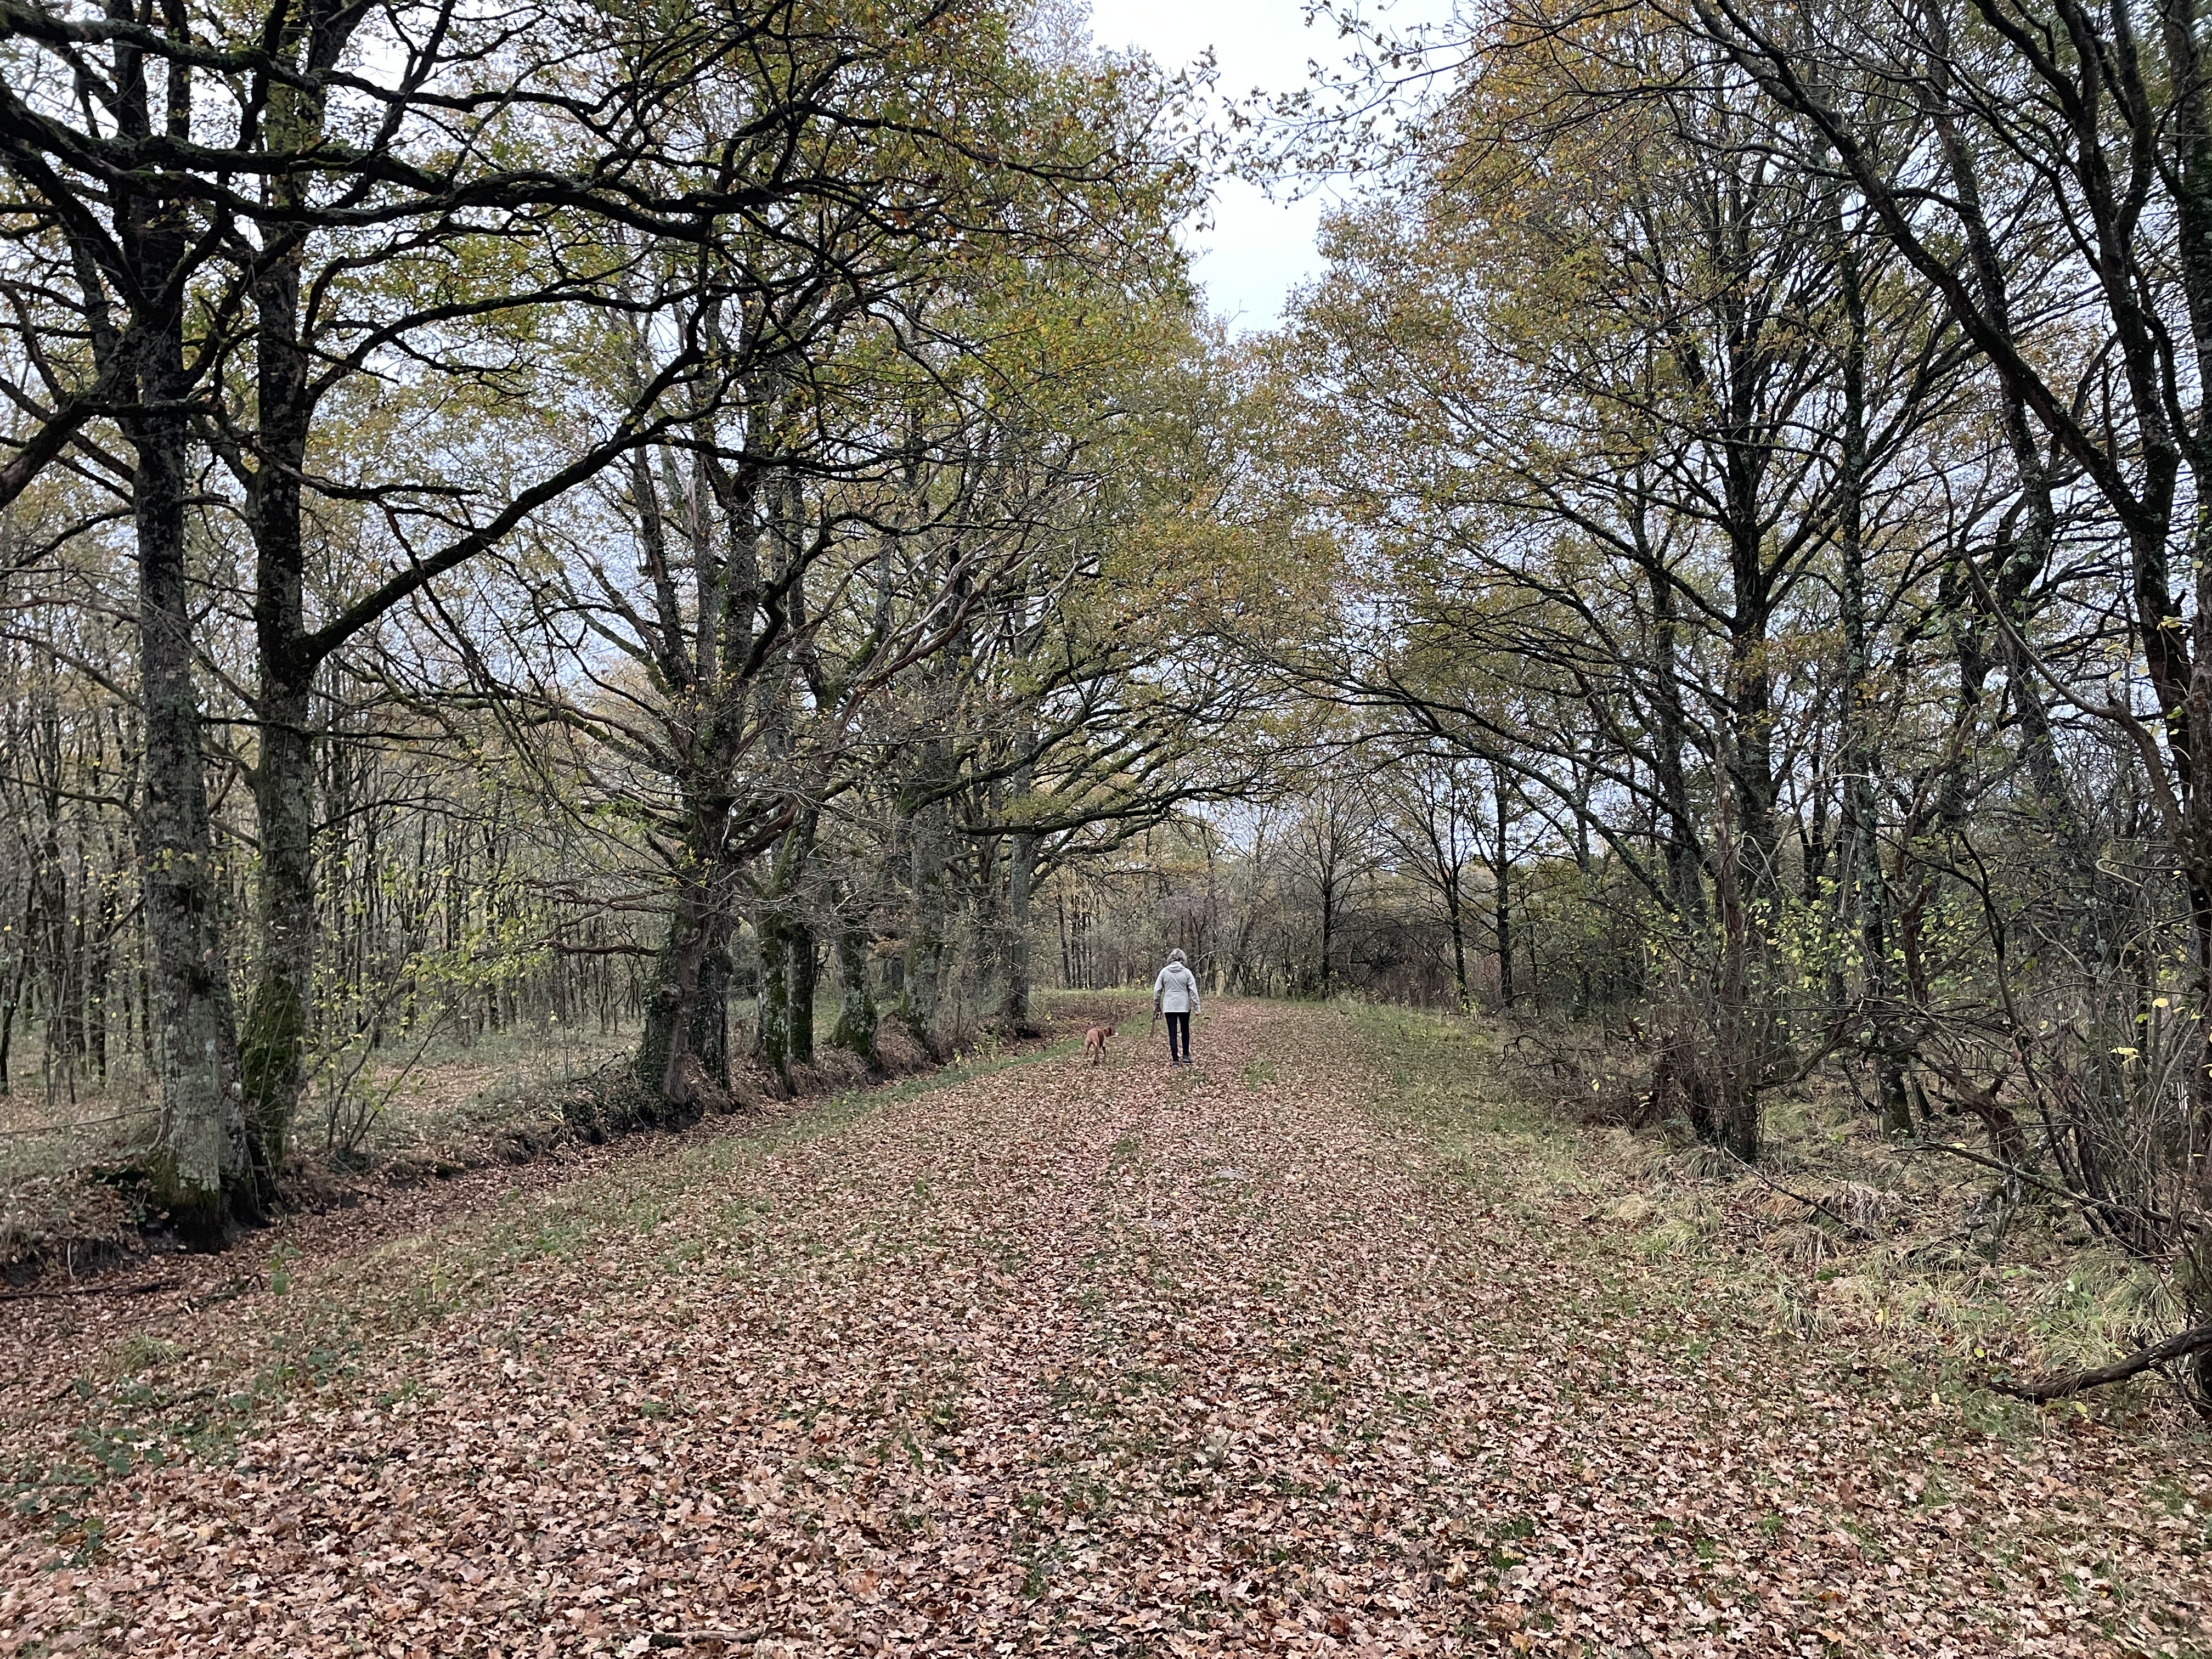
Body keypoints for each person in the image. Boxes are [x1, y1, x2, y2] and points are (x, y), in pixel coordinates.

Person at [1152, 947, 1201, 1066]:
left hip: (1169, 1006)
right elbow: (1193, 991)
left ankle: (1175, 1059)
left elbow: (1157, 990)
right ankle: (1185, 1056)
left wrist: (1157, 1005)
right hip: (1184, 1006)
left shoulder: (1164, 972)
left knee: (1172, 1032)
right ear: (1182, 960)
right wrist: (1197, 1007)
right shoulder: (1187, 972)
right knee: (1185, 1030)